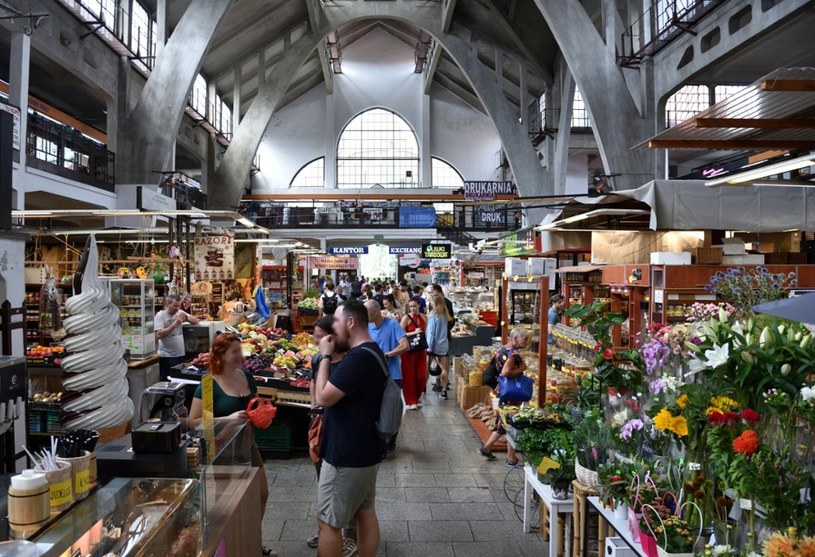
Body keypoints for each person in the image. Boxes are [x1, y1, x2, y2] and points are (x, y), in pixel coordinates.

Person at [186, 333, 272, 552]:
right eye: (234, 351)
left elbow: (253, 404)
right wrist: (228, 419)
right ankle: (228, 546)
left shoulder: (246, 376)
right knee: (225, 505)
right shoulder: (207, 385)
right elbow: (194, 421)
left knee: (262, 493)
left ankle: (253, 538)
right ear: (221, 355)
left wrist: (262, 412)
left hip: (248, 445)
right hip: (220, 450)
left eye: (240, 350)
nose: (240, 355)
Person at [314, 301, 386, 557]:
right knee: (365, 513)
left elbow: (322, 398)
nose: (333, 326)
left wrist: (324, 355)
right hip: (366, 449)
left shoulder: (357, 359)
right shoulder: (374, 351)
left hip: (346, 454)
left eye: (336, 321)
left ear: (351, 322)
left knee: (329, 523)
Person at [306, 317, 357, 557]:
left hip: (343, 431)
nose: (315, 341)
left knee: (345, 486)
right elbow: (314, 384)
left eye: (319, 336)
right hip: (320, 428)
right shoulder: (318, 359)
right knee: (323, 480)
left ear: (332, 337)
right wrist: (314, 409)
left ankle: (348, 535)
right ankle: (326, 529)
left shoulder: (349, 362)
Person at [479, 326, 532, 467]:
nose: (527, 342)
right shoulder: (513, 355)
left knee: (503, 422)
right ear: (515, 338)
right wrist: (522, 368)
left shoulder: (502, 349)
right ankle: (511, 458)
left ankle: (487, 448)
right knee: (510, 423)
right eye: (524, 339)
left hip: (501, 390)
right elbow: (505, 372)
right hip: (510, 393)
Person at [364, 299, 408, 454]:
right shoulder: (367, 327)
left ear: (375, 312)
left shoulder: (392, 325)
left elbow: (405, 345)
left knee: (392, 409)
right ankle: (378, 440)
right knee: (376, 408)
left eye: (366, 312)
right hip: (373, 375)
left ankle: (392, 439)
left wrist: (388, 355)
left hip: (393, 375)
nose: (364, 315)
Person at [155, 294, 199, 381]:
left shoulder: (179, 312)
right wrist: (175, 324)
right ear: (167, 304)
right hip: (166, 356)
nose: (177, 308)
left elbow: (196, 321)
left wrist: (186, 318)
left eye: (179, 305)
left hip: (179, 354)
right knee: (167, 380)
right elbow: (159, 335)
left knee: (178, 379)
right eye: (175, 305)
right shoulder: (160, 315)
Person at [400, 299, 427, 410]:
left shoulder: (425, 317)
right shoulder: (406, 318)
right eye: (410, 306)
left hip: (421, 349)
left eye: (414, 306)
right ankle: (411, 400)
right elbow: (400, 333)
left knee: (421, 376)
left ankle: (416, 396)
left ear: (419, 305)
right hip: (409, 351)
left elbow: (425, 333)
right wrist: (414, 332)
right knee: (409, 376)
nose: (412, 309)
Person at [425, 292, 452, 399]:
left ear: (435, 303)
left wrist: (429, 348)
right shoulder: (445, 314)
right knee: (444, 369)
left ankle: (423, 388)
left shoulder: (432, 316)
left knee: (427, 367)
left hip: (433, 346)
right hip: (443, 345)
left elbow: (431, 333)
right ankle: (444, 391)